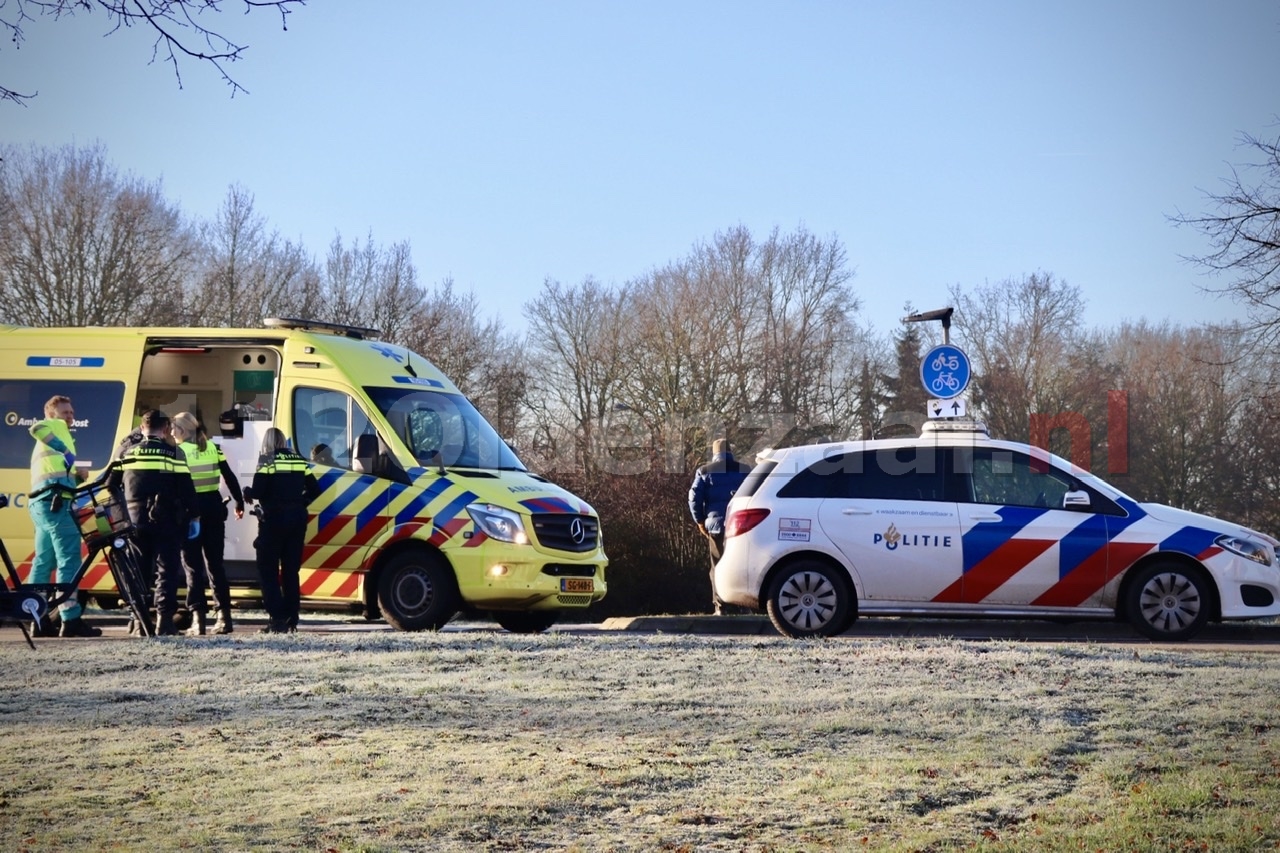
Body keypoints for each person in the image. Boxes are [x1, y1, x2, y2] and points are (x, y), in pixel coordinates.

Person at [113, 410, 200, 636]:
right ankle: (164, 622)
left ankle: (139, 622)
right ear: (164, 430)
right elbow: (187, 489)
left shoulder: (127, 453)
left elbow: (111, 486)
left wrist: (121, 514)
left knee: (139, 572)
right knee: (167, 571)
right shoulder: (174, 453)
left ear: (142, 428)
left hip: (135, 522)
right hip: (167, 521)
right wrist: (194, 515)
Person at [27, 395, 100, 638]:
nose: (70, 416)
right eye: (65, 412)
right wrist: (66, 450)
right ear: (52, 414)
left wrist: (76, 476)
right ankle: (70, 619)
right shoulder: (54, 428)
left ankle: (37, 619)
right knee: (69, 559)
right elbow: (35, 427)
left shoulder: (56, 438)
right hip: (56, 503)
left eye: (71, 412)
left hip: (41, 502)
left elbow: (54, 474)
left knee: (43, 562)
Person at [171, 412, 245, 636]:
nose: (171, 432)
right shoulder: (213, 448)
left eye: (174, 428)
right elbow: (229, 477)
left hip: (190, 513)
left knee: (192, 568)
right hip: (213, 508)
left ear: (182, 431)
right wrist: (239, 503)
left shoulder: (178, 452)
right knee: (216, 567)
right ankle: (224, 618)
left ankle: (198, 620)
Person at [247, 428, 318, 633]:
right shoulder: (298, 460)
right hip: (297, 520)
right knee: (290, 571)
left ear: (268, 442)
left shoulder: (267, 460)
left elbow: (258, 491)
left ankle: (277, 619)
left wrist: (247, 492)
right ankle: (291, 619)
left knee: (267, 570)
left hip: (273, 520)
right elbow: (315, 490)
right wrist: (299, 503)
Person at [688, 438, 753, 615]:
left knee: (717, 565)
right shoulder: (745, 470)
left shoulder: (704, 471)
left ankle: (721, 606)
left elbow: (694, 498)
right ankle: (745, 606)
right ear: (731, 452)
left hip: (716, 526)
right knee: (742, 565)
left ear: (714, 453)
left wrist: (700, 521)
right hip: (742, 526)